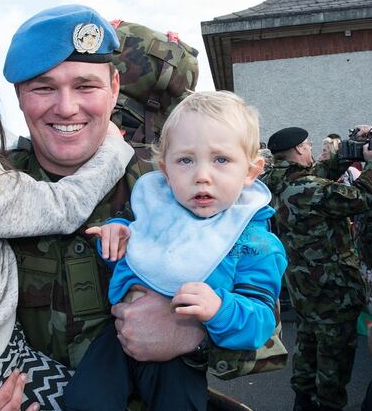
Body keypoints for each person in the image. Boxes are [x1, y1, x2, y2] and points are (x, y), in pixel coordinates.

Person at [0, 4, 208, 411]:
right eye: (44, 88)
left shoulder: (177, 185)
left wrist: (193, 333)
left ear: (115, 88)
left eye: (86, 86)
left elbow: (259, 301)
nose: (66, 107)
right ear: (18, 96)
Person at [63, 91, 287, 411]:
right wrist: (115, 236)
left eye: (221, 159)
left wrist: (219, 309)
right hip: (118, 338)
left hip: (179, 363)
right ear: (165, 172)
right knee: (83, 401)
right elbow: (134, 261)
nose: (202, 176)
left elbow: (260, 323)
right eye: (185, 160)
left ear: (251, 172)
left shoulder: (255, 245)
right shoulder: (159, 212)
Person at [261, 126, 372, 411]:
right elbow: (363, 198)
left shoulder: (275, 179)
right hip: (332, 287)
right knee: (334, 356)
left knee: (308, 343)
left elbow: (318, 172)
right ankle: (327, 405)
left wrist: (349, 150)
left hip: (303, 285)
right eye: (309, 145)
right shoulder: (311, 188)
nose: (313, 150)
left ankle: (302, 402)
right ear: (300, 149)